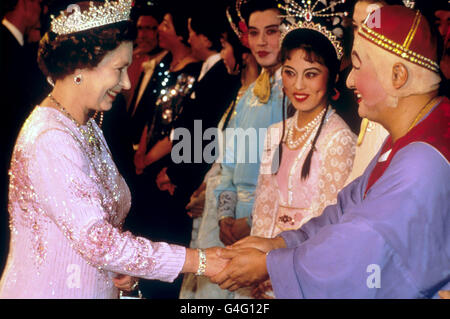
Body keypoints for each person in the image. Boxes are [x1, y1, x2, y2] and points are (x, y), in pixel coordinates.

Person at [211, 4, 449, 299]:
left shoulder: (422, 159)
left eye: (359, 67)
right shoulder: (412, 134)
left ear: (398, 76)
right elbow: (345, 211)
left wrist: (273, 265)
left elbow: (359, 249)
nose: (350, 81)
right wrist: (280, 244)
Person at [0, 0, 226, 299]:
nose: (127, 82)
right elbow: (99, 241)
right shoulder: (50, 137)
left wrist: (122, 272)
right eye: (119, 69)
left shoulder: (85, 125)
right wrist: (199, 261)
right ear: (80, 68)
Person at [249, 3, 357, 298]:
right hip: (264, 272)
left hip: (306, 274)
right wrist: (255, 267)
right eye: (289, 72)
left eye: (310, 74)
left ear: (331, 76)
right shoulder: (274, 133)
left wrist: (277, 272)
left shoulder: (339, 140)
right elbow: (264, 207)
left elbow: (327, 226)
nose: (298, 85)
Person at [179, 4, 260, 299]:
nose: (224, 54)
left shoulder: (262, 101)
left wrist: (231, 214)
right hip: (218, 208)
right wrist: (205, 188)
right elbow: (223, 160)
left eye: (226, 46)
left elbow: (250, 171)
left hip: (238, 214)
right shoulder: (239, 95)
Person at [0, 0, 47, 276]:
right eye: (38, 3)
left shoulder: (16, 46)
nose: (41, 10)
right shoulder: (9, 49)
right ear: (25, 4)